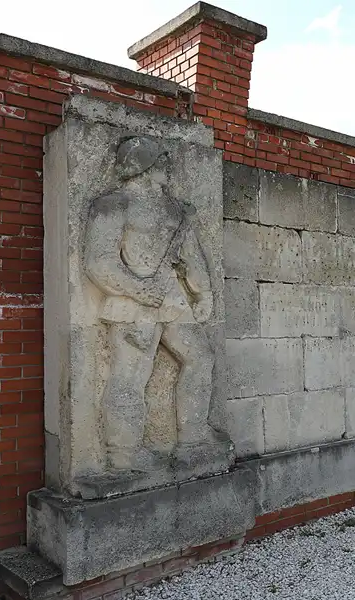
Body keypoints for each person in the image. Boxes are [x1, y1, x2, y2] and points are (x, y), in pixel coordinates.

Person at [83, 136, 221, 473]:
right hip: (133, 303)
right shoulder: (112, 206)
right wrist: (137, 290)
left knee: (200, 357)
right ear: (144, 168)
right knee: (130, 374)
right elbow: (98, 262)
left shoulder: (174, 210)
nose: (167, 169)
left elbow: (191, 257)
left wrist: (203, 293)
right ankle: (123, 455)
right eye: (161, 163)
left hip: (172, 299)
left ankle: (192, 438)